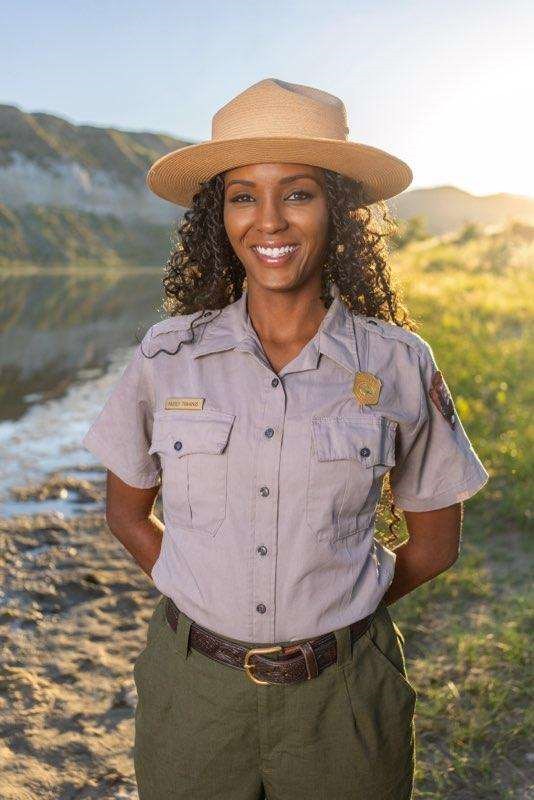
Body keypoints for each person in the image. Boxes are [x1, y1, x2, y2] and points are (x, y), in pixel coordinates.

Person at [82, 78, 489, 800]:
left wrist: (337, 607)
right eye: (243, 195)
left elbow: (434, 545)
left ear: (337, 206)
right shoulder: (165, 354)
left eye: (297, 193)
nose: (268, 221)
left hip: (344, 702)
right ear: (219, 213)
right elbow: (125, 513)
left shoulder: (398, 362)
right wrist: (204, 594)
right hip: (193, 699)